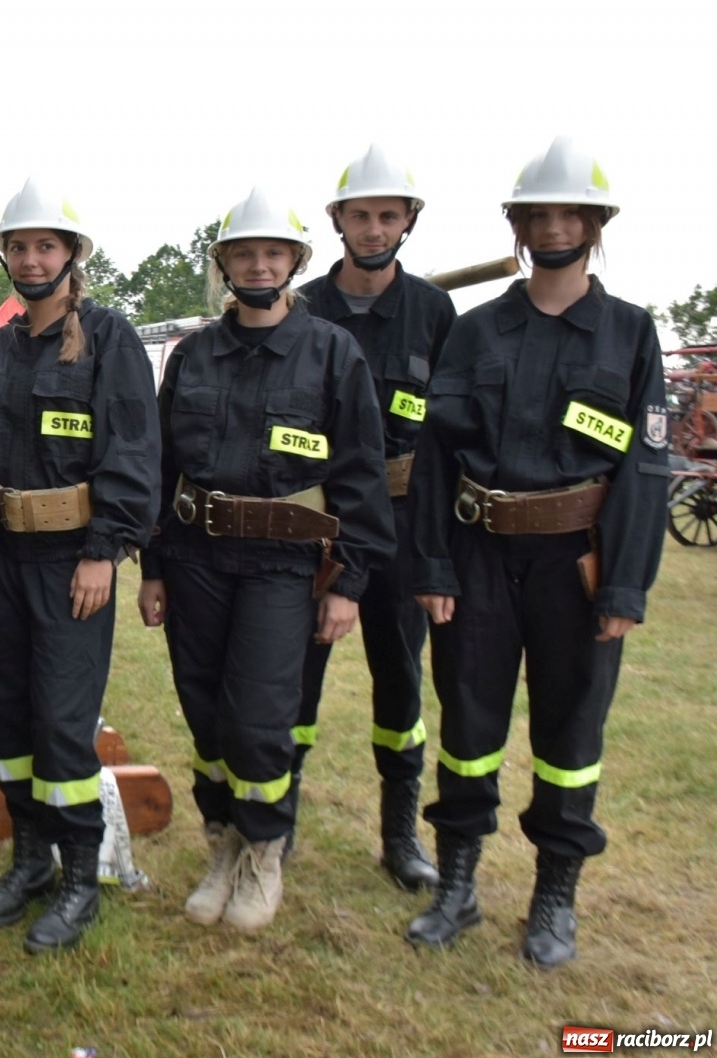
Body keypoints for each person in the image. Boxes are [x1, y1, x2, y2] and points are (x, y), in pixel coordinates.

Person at [405, 138, 667, 967]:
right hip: (479, 556)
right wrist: (434, 565)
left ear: (594, 226)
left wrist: (624, 583)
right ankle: (458, 883)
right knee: (467, 725)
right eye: (536, 214)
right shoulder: (477, 331)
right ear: (516, 227)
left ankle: (555, 896)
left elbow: (643, 469)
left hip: (576, 563)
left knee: (569, 730)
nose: (553, 226)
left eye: (569, 213)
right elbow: (438, 455)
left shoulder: (630, 333)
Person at [139, 188, 394, 931]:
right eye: (243, 254)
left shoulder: (332, 354)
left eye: (272, 254)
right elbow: (159, 469)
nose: (258, 265)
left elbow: (360, 475)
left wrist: (348, 580)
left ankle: (262, 853)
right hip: (194, 558)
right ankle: (221, 844)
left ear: (294, 263)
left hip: (283, 566)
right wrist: (153, 565)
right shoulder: (191, 357)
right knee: (207, 714)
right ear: (223, 265)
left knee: (260, 719)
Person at [0, 180, 159, 953]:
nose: (30, 257)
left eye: (45, 245)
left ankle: (80, 872)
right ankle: (30, 859)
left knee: (62, 719)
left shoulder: (109, 340)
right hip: (7, 558)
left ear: (72, 255)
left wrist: (102, 552)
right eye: (18, 246)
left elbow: (132, 451)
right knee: (11, 718)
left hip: (71, 562)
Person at [294, 146, 457, 891]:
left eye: (387, 215)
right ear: (337, 221)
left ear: (408, 222)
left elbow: (452, 434)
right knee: (293, 678)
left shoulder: (433, 312)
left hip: (397, 522)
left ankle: (400, 835)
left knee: (400, 682)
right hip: (314, 521)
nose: (373, 227)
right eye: (359, 215)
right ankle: (281, 816)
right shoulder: (301, 309)